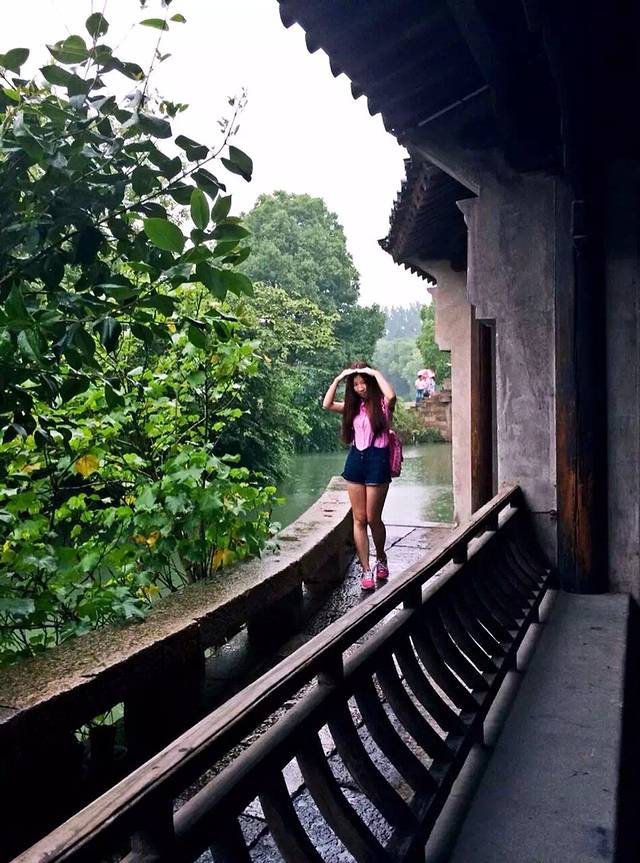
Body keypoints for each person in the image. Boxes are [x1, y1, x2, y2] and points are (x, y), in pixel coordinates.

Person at [322, 362, 396, 590]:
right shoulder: (353, 408)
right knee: (359, 519)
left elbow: (391, 396)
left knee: (373, 518)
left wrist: (373, 372)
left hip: (377, 461)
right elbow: (327, 404)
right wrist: (338, 379)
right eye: (356, 384)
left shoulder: (382, 404)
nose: (360, 387)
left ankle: (381, 557)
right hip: (355, 461)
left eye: (363, 383)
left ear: (371, 382)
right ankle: (366, 570)